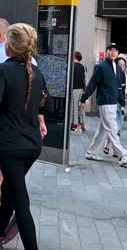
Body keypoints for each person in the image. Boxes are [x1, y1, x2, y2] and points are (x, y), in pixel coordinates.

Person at [0, 23, 48, 250]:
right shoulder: (37, 73)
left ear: (10, 44)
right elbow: (41, 107)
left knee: (20, 202)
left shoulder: (3, 71)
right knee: (9, 192)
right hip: (32, 146)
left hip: (9, 147)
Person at [80, 43, 127, 166]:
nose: (113, 52)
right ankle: (122, 156)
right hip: (105, 102)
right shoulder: (101, 67)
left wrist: (122, 103)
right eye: (110, 50)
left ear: (117, 53)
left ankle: (90, 152)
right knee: (112, 128)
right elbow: (92, 84)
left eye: (115, 50)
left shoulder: (117, 67)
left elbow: (119, 88)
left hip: (113, 102)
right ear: (106, 52)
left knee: (104, 129)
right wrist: (84, 99)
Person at [104, 55, 127, 156]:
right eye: (120, 64)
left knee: (117, 126)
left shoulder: (123, 76)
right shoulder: (113, 75)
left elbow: (123, 90)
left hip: (121, 102)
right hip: (114, 102)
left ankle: (111, 146)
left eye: (123, 65)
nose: (122, 67)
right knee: (115, 126)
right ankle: (111, 147)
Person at [71, 51, 86, 132]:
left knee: (74, 107)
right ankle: (82, 124)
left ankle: (75, 124)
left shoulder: (71, 66)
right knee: (81, 108)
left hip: (74, 89)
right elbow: (84, 79)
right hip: (82, 89)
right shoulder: (83, 66)